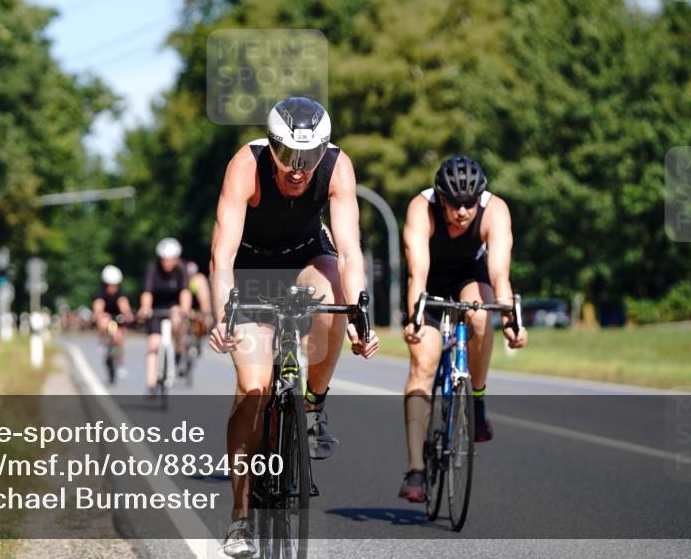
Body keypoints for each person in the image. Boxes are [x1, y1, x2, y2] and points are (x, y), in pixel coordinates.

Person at [207, 97, 380, 557]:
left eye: (308, 158)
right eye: (287, 157)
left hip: (307, 257)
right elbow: (221, 255)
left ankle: (314, 405)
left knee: (334, 298)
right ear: (273, 146)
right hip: (250, 269)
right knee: (253, 386)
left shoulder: (338, 168)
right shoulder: (246, 165)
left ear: (323, 150)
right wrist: (220, 314)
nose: (297, 169)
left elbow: (349, 252)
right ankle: (241, 516)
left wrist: (361, 314)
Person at [398, 154, 529, 503]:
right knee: (423, 365)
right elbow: (417, 272)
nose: (462, 212)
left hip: (472, 277)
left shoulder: (496, 211)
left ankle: (478, 399)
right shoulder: (420, 209)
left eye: (469, 203)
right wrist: (414, 316)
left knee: (480, 315)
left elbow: (500, 274)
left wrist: (511, 321)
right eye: (454, 203)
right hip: (430, 283)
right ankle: (415, 470)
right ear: (441, 198)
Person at [137, 238, 192, 395]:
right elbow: (147, 292)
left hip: (174, 308)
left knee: (177, 318)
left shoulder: (181, 270)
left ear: (176, 259)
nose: (167, 263)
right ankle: (152, 384)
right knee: (154, 345)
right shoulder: (152, 269)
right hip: (155, 311)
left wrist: (185, 309)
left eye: (170, 260)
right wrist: (146, 307)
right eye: (164, 260)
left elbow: (185, 292)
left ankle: (179, 351)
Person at [93, 265, 134, 377]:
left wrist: (127, 315)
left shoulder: (121, 292)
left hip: (118, 318)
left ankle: (120, 362)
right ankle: (102, 342)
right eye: (109, 285)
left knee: (119, 339)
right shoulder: (100, 292)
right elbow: (98, 306)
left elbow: (124, 305)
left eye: (114, 285)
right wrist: (99, 315)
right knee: (103, 322)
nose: (112, 288)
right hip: (106, 317)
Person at [185, 260, 213, 356]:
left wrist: (206, 314)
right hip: (185, 307)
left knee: (202, 322)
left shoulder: (199, 279)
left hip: (197, 307)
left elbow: (204, 300)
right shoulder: (181, 279)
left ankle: (198, 340)